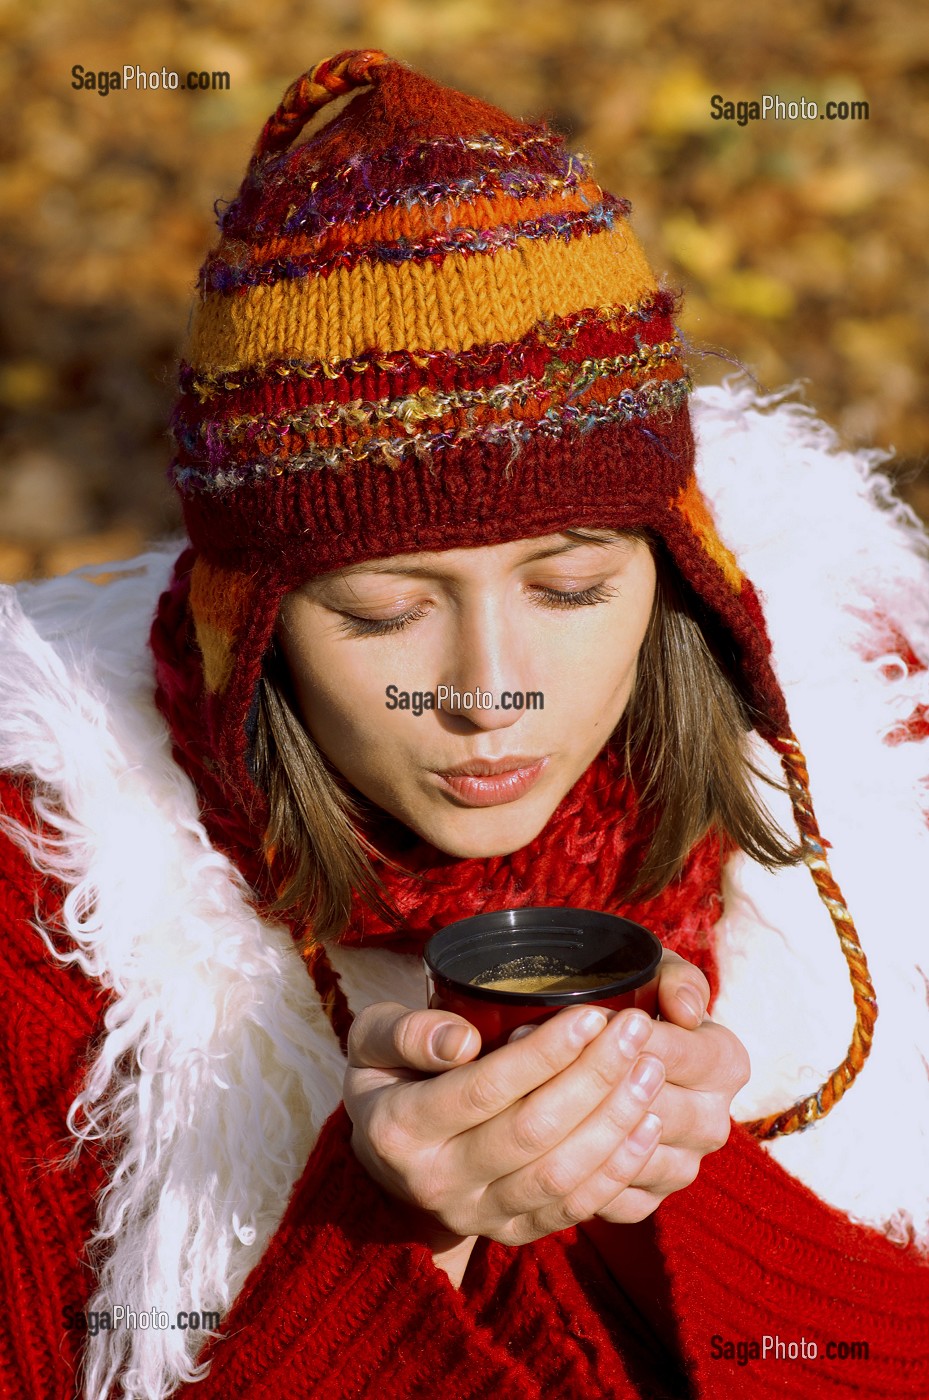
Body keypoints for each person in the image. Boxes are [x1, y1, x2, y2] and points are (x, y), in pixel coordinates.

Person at [2, 47, 928, 1400]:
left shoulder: (885, 740)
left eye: (569, 585)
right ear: (236, 619)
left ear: (683, 567)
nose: (492, 690)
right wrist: (391, 1235)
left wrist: (667, 1169)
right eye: (380, 612)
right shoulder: (45, 920)